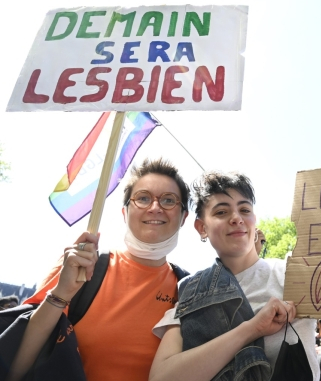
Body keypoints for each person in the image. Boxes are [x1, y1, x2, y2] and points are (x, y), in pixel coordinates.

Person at [6, 158, 190, 381]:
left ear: (183, 217)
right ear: (125, 212)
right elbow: (14, 369)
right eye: (143, 198)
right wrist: (62, 293)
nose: (155, 208)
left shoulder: (192, 293)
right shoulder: (79, 266)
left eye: (169, 200)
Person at [150, 171, 319, 381]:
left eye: (245, 209)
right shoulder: (190, 292)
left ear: (254, 220)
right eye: (221, 212)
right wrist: (252, 329)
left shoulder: (293, 272)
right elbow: (162, 377)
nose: (237, 218)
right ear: (202, 228)